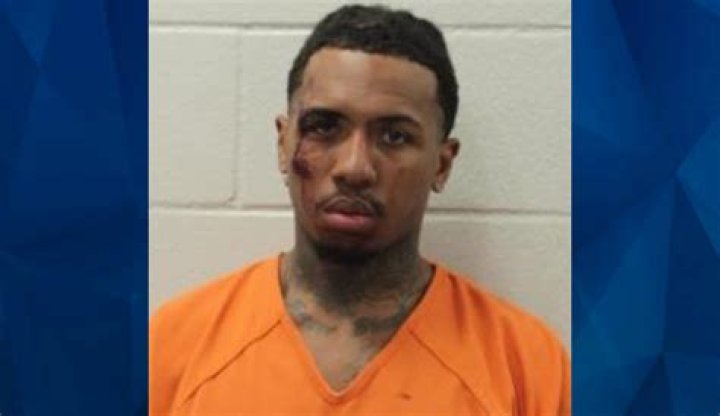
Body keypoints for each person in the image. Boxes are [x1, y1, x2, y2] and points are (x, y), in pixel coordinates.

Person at [150, 4, 570, 415]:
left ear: (442, 165)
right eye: (324, 127)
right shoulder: (173, 346)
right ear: (283, 144)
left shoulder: (527, 367)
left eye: (394, 136)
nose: (354, 168)